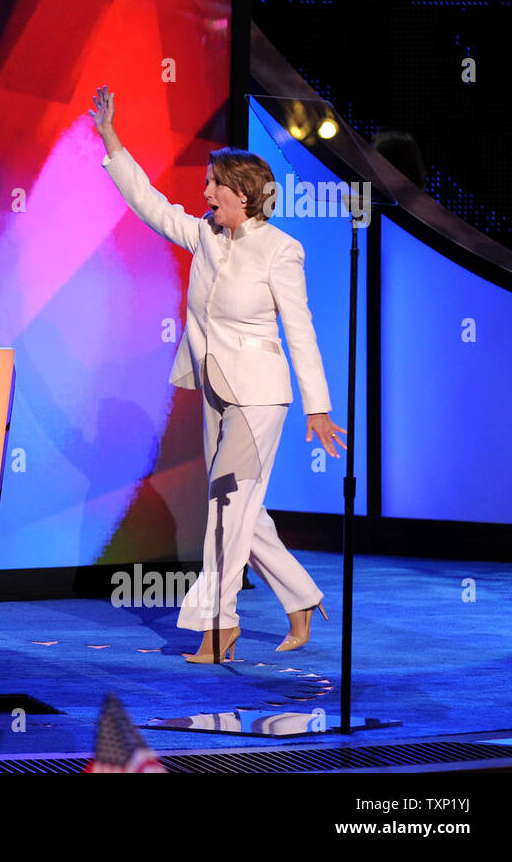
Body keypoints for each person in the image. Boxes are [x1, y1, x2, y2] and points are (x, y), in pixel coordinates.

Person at [88, 85, 347, 663]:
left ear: (244, 194)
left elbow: (300, 330)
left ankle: (218, 626)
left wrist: (318, 407)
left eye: (214, 186)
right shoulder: (205, 235)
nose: (204, 193)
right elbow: (151, 205)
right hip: (214, 392)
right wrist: (111, 141)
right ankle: (300, 597)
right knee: (240, 510)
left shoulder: (281, 251)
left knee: (228, 509)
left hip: (259, 398)